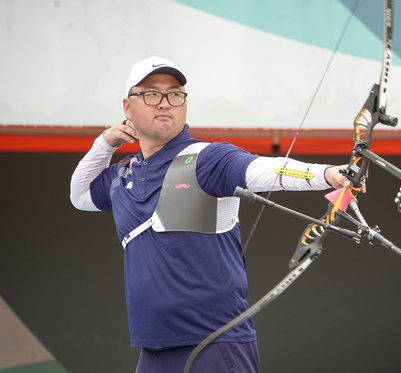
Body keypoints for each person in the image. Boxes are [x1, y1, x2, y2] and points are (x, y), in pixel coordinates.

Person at [70, 56, 361, 373]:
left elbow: (260, 170)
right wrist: (105, 142)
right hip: (153, 350)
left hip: (215, 346)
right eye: (151, 94)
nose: (165, 103)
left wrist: (326, 174)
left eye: (175, 94)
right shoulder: (123, 174)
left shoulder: (206, 157)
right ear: (127, 107)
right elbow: (80, 195)